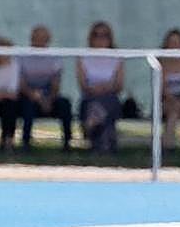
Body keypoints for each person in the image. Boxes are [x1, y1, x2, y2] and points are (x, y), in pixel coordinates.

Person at [16, 24, 72, 151]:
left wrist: (49, 99)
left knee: (65, 104)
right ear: (31, 38)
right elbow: (21, 83)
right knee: (27, 107)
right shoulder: (22, 57)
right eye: (36, 38)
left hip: (49, 95)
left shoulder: (54, 58)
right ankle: (25, 143)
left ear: (48, 40)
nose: (39, 41)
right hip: (28, 95)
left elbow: (56, 83)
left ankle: (67, 143)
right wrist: (35, 97)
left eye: (43, 38)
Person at [76, 21, 124, 154]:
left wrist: (106, 88)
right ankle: (105, 143)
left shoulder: (117, 58)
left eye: (104, 35)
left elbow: (119, 85)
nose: (100, 39)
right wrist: (94, 89)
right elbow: (83, 84)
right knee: (95, 104)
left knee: (106, 101)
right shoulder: (83, 58)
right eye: (96, 35)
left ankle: (92, 125)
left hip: (110, 97)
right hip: (90, 97)